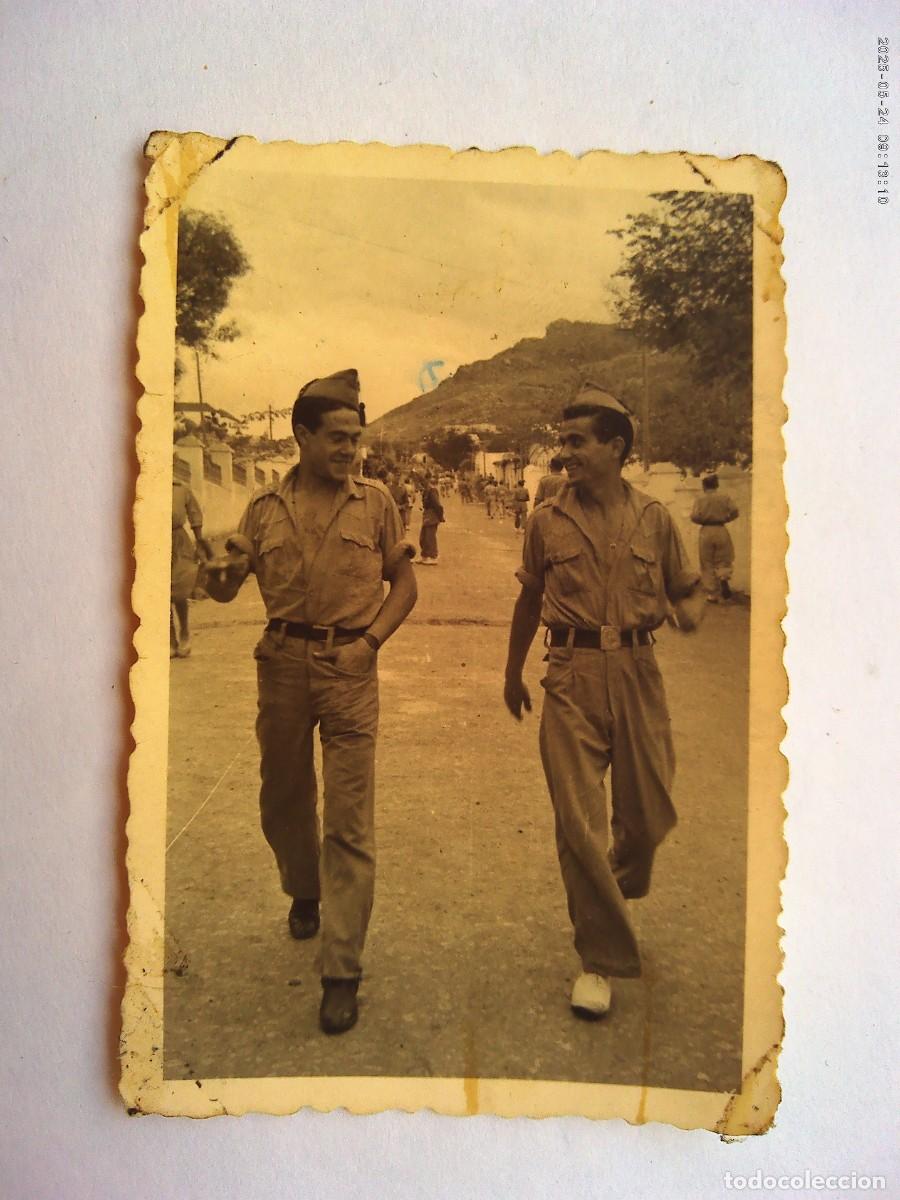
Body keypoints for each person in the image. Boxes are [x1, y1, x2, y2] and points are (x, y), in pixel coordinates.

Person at [202, 369, 417, 1035]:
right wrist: (221, 572)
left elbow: (404, 586)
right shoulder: (263, 510)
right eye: (337, 438)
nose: (351, 449)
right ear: (301, 436)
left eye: (356, 438)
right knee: (284, 799)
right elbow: (223, 592)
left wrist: (371, 643)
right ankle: (304, 888)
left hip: (350, 667)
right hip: (284, 668)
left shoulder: (377, 502)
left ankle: (341, 969)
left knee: (350, 821)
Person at [503, 382, 705, 1021]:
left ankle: (609, 894)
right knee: (580, 822)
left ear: (616, 447)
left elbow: (687, 588)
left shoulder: (655, 519)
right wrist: (511, 673)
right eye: (562, 441)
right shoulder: (544, 521)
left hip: (639, 673)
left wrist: (690, 614)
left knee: (646, 822)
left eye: (578, 441)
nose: (565, 454)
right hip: (570, 672)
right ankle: (598, 959)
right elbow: (529, 601)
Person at [170, 469, 212, 658]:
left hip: (179, 543)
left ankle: (185, 631)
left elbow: (195, 515)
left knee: (180, 591)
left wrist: (200, 543)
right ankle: (170, 639)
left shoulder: (180, 488)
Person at [691, 474, 739, 602]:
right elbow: (735, 511)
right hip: (721, 529)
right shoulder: (725, 497)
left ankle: (712, 594)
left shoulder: (700, 499)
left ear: (704, 486)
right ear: (716, 485)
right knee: (723, 558)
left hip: (706, 530)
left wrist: (703, 520)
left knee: (707, 562)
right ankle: (723, 578)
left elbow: (694, 516)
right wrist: (727, 518)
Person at [418, 474, 444, 563]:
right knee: (423, 537)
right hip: (427, 514)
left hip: (432, 515)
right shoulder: (426, 491)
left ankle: (433, 556)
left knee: (430, 537)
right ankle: (424, 556)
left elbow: (437, 505)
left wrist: (440, 517)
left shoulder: (432, 491)